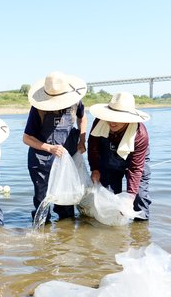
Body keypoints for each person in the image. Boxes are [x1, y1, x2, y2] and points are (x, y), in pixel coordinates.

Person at [22, 71, 87, 221]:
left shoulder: (76, 102)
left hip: (66, 159)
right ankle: (41, 231)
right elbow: (26, 138)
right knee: (42, 200)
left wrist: (82, 140)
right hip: (41, 161)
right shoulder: (38, 108)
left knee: (66, 203)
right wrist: (49, 148)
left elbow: (82, 118)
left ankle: (65, 236)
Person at [87, 92, 151, 220]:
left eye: (118, 118)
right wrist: (95, 169)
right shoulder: (99, 123)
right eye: (110, 117)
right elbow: (93, 147)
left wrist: (130, 198)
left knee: (139, 198)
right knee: (108, 200)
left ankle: (141, 235)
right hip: (108, 162)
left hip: (134, 163)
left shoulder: (140, 135)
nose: (112, 122)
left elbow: (136, 169)